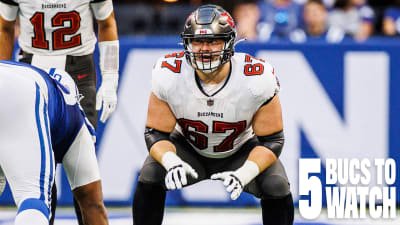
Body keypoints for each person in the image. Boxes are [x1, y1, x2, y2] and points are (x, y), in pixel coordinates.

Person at [132, 4, 294, 225]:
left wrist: (245, 173)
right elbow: (155, 133)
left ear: (230, 42)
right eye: (198, 41)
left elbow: (273, 140)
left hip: (239, 151)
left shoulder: (256, 77)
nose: (204, 49)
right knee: (150, 173)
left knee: (276, 184)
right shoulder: (169, 74)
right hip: (189, 149)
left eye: (213, 41)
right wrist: (171, 161)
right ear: (187, 42)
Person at [0, 0, 119, 224]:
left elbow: (107, 22)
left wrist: (111, 77)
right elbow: (5, 27)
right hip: (30, 72)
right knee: (40, 173)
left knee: (84, 179)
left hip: (78, 73)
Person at [0, 61, 108, 225]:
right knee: (33, 197)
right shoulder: (76, 125)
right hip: (23, 90)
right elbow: (93, 204)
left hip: (10, 74)